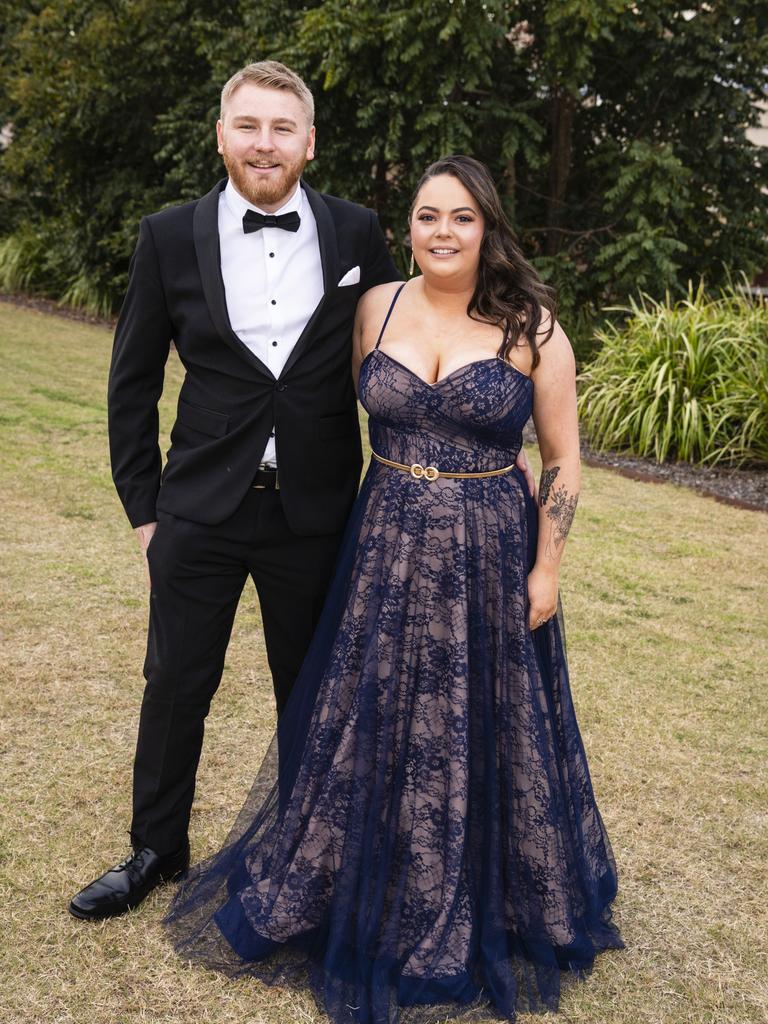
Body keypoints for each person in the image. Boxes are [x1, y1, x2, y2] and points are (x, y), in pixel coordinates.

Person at [67, 60, 537, 923]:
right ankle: (153, 851)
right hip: (198, 508)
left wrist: (490, 438)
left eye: (283, 128)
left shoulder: (358, 233)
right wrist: (145, 512)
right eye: (249, 126)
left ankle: (307, 858)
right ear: (222, 135)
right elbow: (129, 386)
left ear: (309, 141)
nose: (265, 143)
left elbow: (411, 333)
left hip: (318, 512)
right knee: (175, 682)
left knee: (319, 689)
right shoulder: (169, 236)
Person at [163, 155, 623, 1023]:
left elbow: (563, 459)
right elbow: (326, 410)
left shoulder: (534, 325)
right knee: (373, 716)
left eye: (460, 217)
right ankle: (347, 880)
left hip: (489, 547)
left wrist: (547, 568)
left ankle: (473, 897)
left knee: (480, 722)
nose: (442, 232)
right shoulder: (377, 305)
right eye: (425, 216)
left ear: (488, 228)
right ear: (407, 227)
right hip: (381, 542)